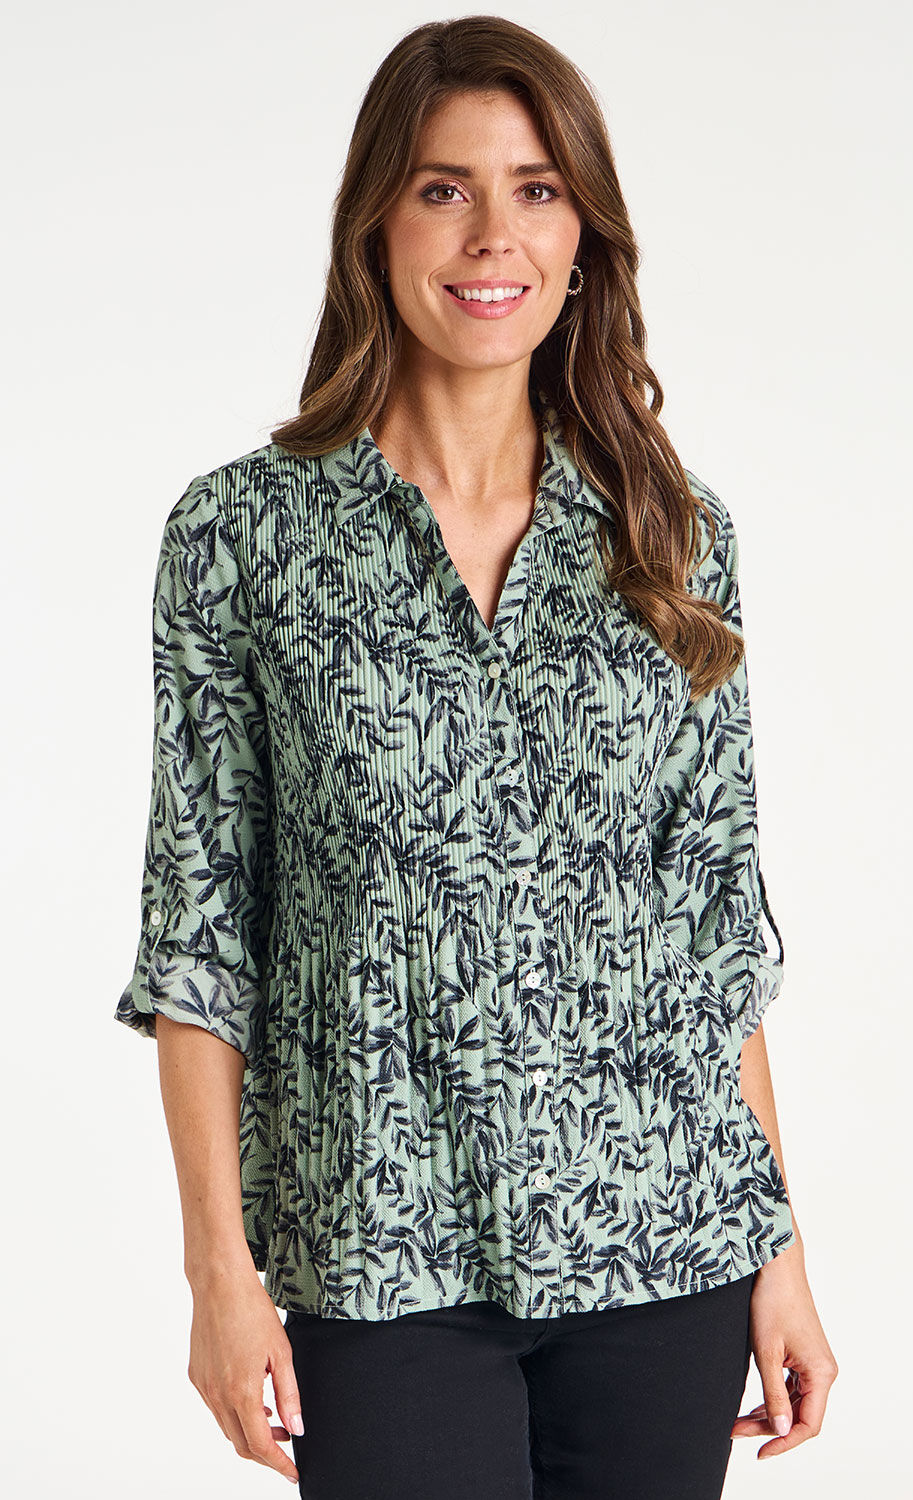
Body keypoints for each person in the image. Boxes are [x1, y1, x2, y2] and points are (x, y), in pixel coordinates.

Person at [114, 14, 838, 1498]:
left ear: (583, 237)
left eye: (537, 190)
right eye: (444, 188)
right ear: (376, 223)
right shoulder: (242, 536)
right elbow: (199, 935)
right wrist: (217, 1274)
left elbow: (712, 932)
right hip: (376, 1252)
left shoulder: (673, 537)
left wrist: (779, 1254)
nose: (492, 234)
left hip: (666, 1242)